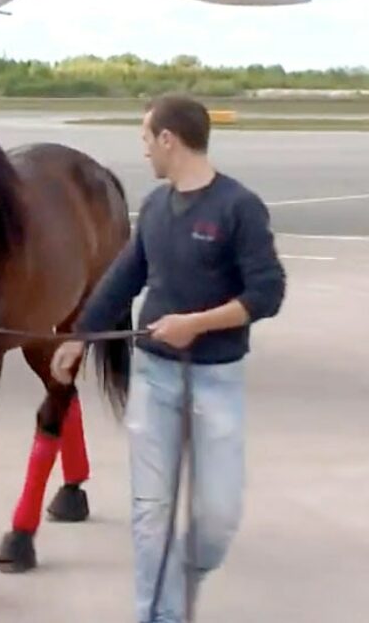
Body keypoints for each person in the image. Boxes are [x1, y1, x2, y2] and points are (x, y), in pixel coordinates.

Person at [51, 94, 286, 623]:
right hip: (153, 377)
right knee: (151, 513)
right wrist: (79, 337)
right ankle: (160, 614)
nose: (144, 152)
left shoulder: (237, 207)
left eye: (145, 139)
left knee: (217, 518)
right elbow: (123, 279)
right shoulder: (156, 207)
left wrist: (196, 324)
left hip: (215, 381)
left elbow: (268, 293)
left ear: (168, 140)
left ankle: (182, 577)